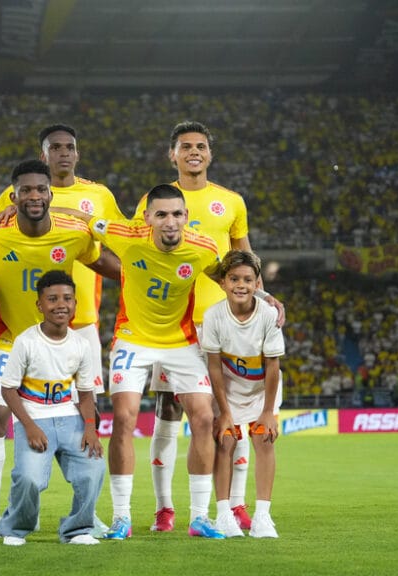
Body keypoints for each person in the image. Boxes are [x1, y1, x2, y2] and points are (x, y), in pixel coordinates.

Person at [135, 121, 282, 532]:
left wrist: (264, 297)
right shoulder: (156, 200)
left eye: (200, 146)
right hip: (173, 325)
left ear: (210, 154)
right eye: (185, 146)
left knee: (232, 413)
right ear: (172, 154)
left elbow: (245, 259)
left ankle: (234, 505)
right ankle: (164, 507)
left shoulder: (231, 202)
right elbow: (139, 254)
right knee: (167, 410)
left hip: (225, 324)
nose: (194, 152)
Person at [0, 159, 117, 539]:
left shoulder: (74, 233)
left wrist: (146, 272)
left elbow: (112, 264)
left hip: (62, 343)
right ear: (13, 196)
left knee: (86, 420)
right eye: (26, 191)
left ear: (51, 194)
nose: (34, 196)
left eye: (40, 190)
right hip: (8, 340)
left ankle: (88, 514)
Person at [87, 184, 225, 539]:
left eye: (177, 214)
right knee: (124, 417)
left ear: (186, 217)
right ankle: (121, 517)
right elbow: (84, 219)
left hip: (181, 342)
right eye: (161, 214)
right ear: (147, 218)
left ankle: (199, 517)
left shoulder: (203, 247)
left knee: (204, 417)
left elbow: (226, 276)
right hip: (133, 339)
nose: (170, 222)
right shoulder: (125, 235)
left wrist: (264, 296)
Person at [0, 270, 105, 546]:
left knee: (93, 469)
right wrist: (30, 427)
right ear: (40, 305)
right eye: (52, 299)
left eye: (67, 298)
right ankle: (15, 529)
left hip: (70, 417)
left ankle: (77, 529)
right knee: (29, 478)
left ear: (75, 304)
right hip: (34, 418)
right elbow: (8, 389)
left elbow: (85, 392)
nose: (61, 305)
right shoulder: (26, 341)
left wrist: (90, 429)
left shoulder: (81, 345)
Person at [202, 250, 284, 539]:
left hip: (263, 389)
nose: (241, 285)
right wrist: (224, 412)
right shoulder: (213, 316)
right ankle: (224, 515)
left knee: (263, 438)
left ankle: (262, 516)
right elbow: (214, 367)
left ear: (257, 284)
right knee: (225, 441)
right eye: (234, 278)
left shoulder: (269, 315)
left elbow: (272, 366)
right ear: (223, 282)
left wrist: (268, 411)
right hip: (228, 388)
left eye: (248, 280)